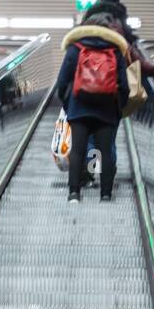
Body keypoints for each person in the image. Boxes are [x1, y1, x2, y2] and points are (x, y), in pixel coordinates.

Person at [55, 18, 129, 202]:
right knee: (105, 153)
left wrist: (68, 105)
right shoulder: (115, 51)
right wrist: (118, 108)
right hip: (107, 110)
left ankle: (74, 194)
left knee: (78, 151)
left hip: (79, 108)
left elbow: (62, 82)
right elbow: (125, 86)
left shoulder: (75, 48)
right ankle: (105, 195)